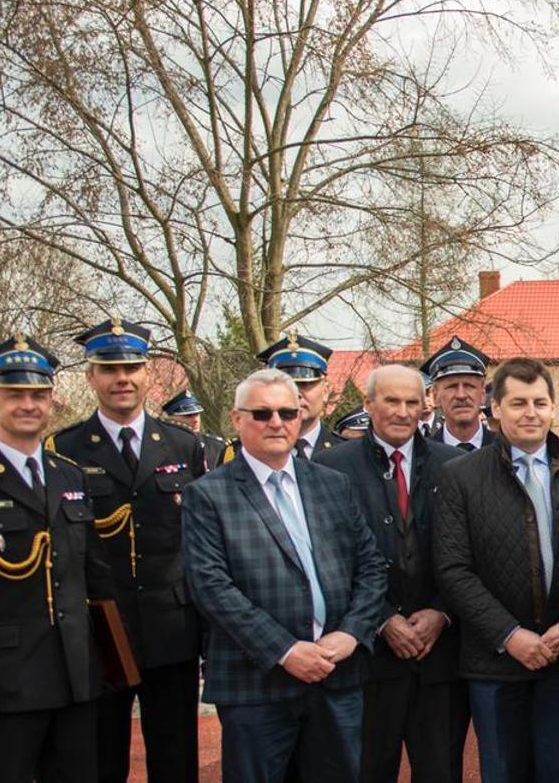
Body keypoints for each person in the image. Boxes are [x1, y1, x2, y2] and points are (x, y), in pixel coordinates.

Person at [182, 369, 389, 782]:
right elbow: (211, 587)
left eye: (286, 412)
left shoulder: (332, 484)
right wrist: (286, 651)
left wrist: (350, 633)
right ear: (237, 419)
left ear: (300, 416)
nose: (276, 422)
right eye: (261, 413)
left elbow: (371, 566)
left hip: (336, 674)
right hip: (257, 684)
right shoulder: (208, 494)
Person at [0, 335, 116, 783]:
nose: (28, 405)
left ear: (52, 401)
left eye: (38, 395)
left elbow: (95, 580)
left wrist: (110, 662)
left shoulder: (69, 476)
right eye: (14, 396)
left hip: (77, 678)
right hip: (8, 682)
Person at [47, 319, 208, 783]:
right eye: (109, 367)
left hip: (171, 627)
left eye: (132, 367)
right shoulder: (64, 448)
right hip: (100, 628)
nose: (122, 377)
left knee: (175, 759)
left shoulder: (184, 444)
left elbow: (198, 542)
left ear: (147, 374)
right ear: (90, 377)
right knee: (100, 759)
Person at [434, 356, 559, 783]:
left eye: (541, 403)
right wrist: (509, 636)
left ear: (552, 409)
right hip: (494, 658)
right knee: (503, 771)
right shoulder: (460, 476)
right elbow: (454, 569)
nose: (531, 413)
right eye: (518, 403)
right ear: (495, 409)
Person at [314, 365, 469, 782]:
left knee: (440, 770)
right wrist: (382, 618)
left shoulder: (456, 466)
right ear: (368, 404)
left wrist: (442, 612)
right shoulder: (330, 468)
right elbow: (327, 558)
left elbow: (471, 554)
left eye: (411, 402)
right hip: (367, 656)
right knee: (368, 769)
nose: (402, 412)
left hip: (439, 654)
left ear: (425, 407)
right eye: (391, 401)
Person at [238, 333, 345, 462]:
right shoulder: (243, 452)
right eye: (288, 386)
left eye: (305, 384)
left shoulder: (351, 455)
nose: (297, 393)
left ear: (326, 391)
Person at [424, 337, 497, 452]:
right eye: (451, 387)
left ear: (483, 394)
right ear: (435, 396)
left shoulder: (506, 451)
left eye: (469, 386)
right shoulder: (422, 455)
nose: (461, 395)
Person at [163, 389, 230, 469]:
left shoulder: (216, 446)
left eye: (197, 414)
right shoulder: (160, 449)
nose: (195, 420)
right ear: (171, 419)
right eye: (188, 415)